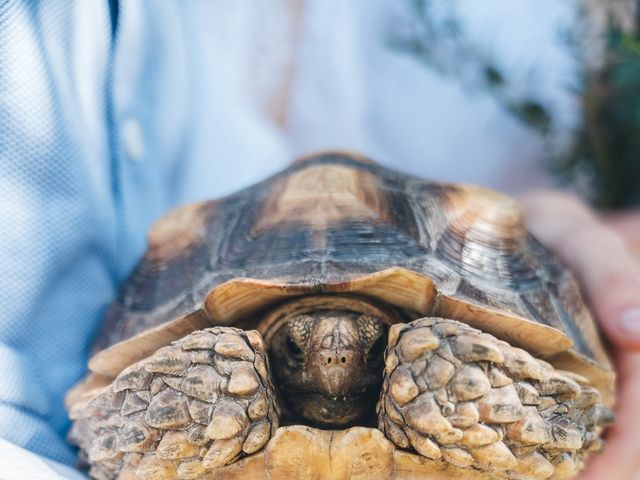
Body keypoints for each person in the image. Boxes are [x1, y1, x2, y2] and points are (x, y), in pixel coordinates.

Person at [1, 1, 638, 478]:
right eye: (303, 346)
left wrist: (552, 232)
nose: (333, 359)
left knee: (438, 359)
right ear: (270, 344)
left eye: (359, 342)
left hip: (478, 252)